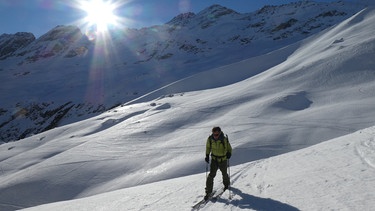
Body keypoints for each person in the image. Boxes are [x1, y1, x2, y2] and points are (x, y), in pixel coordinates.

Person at [204, 126, 232, 200]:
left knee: (224, 174)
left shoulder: (224, 139)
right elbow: (208, 147)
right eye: (214, 134)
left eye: (216, 134)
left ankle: (226, 185)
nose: (215, 136)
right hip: (214, 160)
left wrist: (229, 153)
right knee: (211, 176)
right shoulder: (210, 139)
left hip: (223, 159)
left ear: (219, 133)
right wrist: (207, 155)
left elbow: (229, 148)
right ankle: (208, 192)